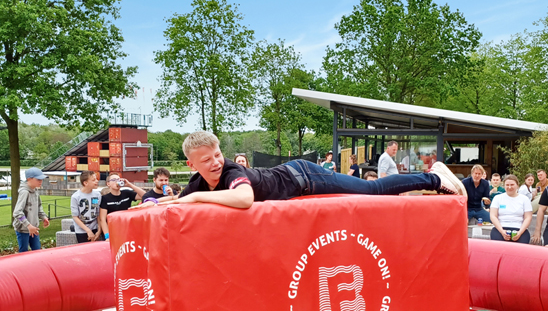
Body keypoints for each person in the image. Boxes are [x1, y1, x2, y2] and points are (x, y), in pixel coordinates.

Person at [135, 132, 466, 213]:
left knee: (374, 191)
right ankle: (432, 179)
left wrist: (191, 200)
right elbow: (175, 202)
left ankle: (434, 177)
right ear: (192, 165)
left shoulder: (233, 172)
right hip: (298, 183)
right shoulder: (196, 183)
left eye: (217, 154)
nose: (215, 162)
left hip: (307, 176)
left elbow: (245, 198)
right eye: (206, 160)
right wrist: (151, 205)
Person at [12, 167, 50, 252]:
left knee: (37, 251)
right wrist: (28, 225)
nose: (41, 181)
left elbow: (39, 206)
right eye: (38, 179)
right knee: (23, 252)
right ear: (29, 179)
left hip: (34, 228)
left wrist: (44, 217)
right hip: (23, 229)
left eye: (42, 179)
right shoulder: (24, 192)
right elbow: (17, 212)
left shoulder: (35, 191)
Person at [100, 172, 146, 239]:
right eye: (114, 180)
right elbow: (102, 219)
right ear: (108, 184)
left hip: (127, 229)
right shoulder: (105, 198)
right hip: (113, 231)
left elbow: (145, 196)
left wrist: (130, 184)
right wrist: (107, 236)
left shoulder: (126, 193)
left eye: (118, 179)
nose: (117, 181)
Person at [490, 175, 532, 244]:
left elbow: (528, 217)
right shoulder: (497, 198)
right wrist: (502, 231)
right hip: (501, 227)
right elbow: (493, 216)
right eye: (507, 185)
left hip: (519, 228)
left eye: (512, 185)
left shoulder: (524, 199)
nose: (509, 187)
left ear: (517, 185)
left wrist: (519, 232)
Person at [70, 171, 103, 243]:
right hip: (81, 230)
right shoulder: (75, 197)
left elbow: (98, 213)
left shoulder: (97, 195)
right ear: (85, 183)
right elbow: (75, 216)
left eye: (96, 179)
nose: (97, 181)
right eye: (93, 180)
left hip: (94, 227)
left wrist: (99, 230)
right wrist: (88, 230)